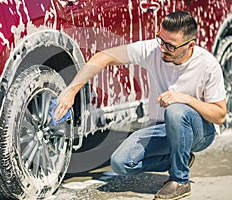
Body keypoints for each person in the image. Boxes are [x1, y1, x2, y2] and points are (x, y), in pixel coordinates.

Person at [54, 10, 227, 200]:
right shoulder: (153, 50)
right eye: (161, 40)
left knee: (176, 110)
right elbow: (104, 56)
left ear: (190, 45)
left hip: (199, 131)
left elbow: (219, 115)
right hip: (161, 128)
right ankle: (179, 159)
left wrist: (185, 99)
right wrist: (72, 90)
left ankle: (180, 180)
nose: (162, 48)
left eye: (170, 46)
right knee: (121, 163)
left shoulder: (207, 65)